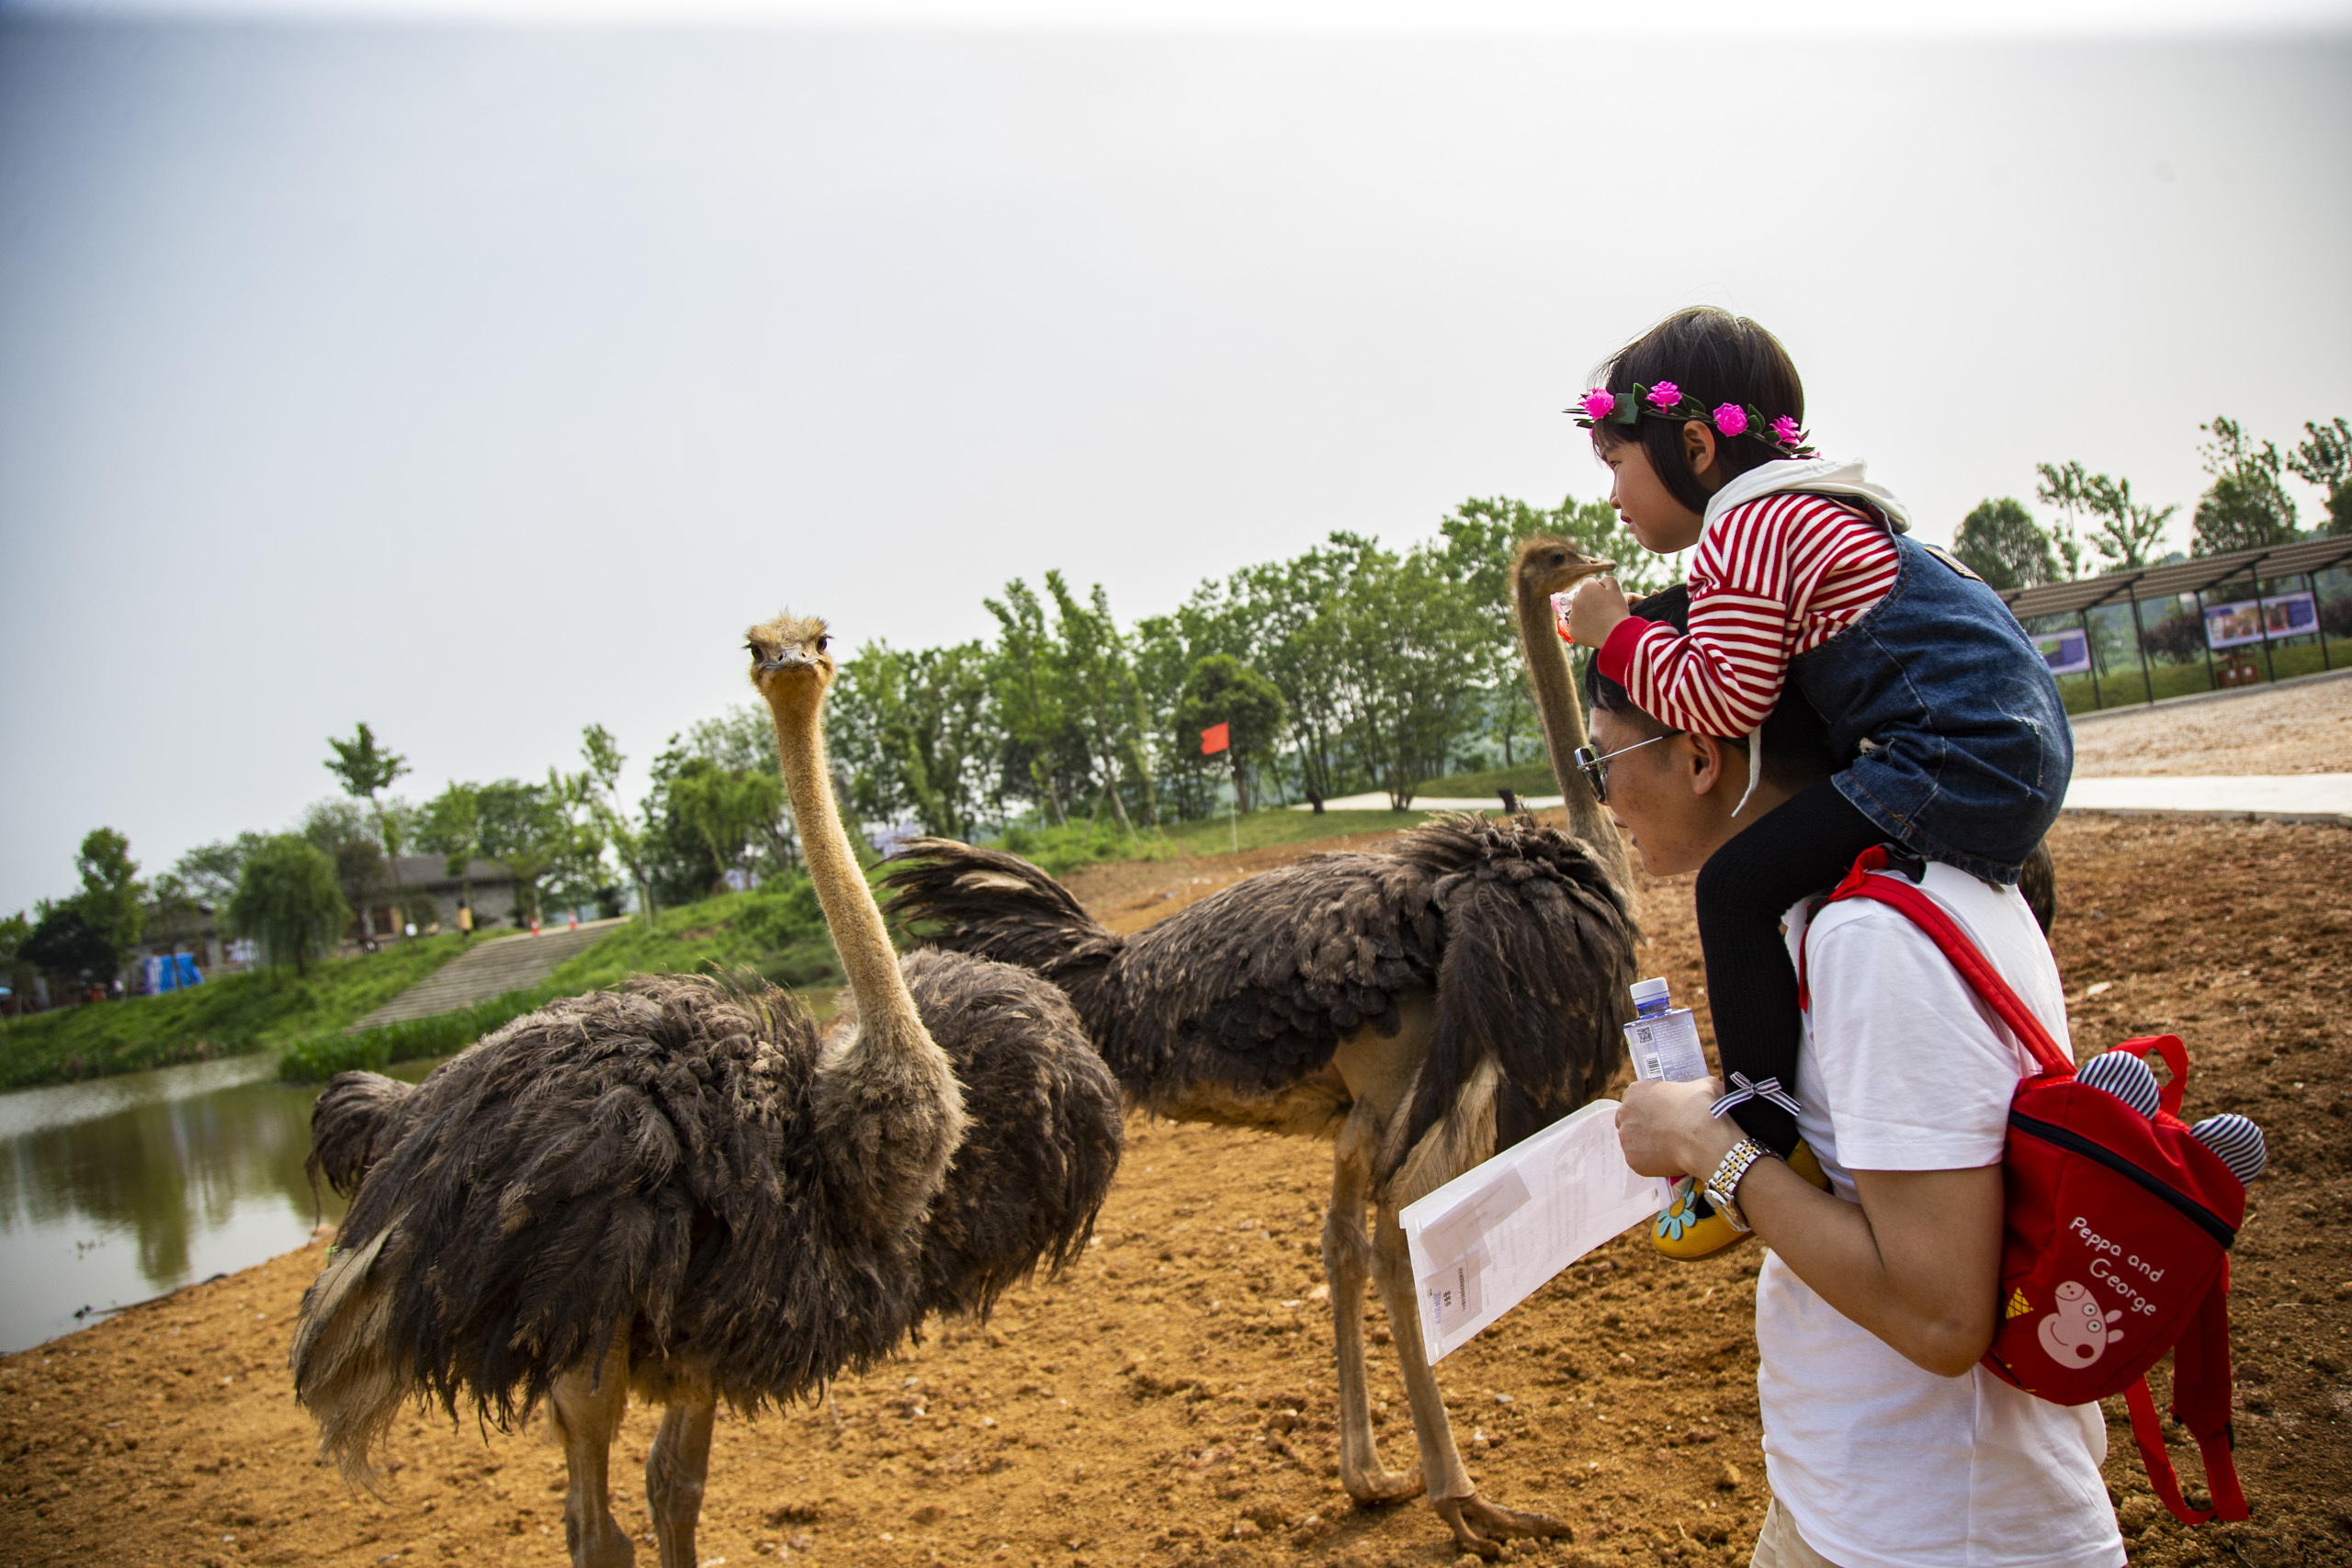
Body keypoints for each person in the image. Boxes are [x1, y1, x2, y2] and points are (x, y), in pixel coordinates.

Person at [1591, 588, 2123, 1568]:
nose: (1601, 800)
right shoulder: (1858, 908)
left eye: (1602, 764)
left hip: (1931, 1533)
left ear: (1701, 756)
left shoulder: (1869, 942)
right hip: (1850, 1506)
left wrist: (1707, 1147)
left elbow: (1939, 1312)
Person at [1562, 307, 2070, 1256]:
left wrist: (1614, 631)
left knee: (1735, 884)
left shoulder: (1748, 529)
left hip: (1944, 757)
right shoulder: (1818, 508)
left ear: (1695, 446)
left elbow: (1717, 695)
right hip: (2000, 748)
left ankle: (1754, 1125)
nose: (1616, 498)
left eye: (1617, 464)